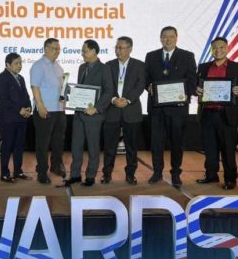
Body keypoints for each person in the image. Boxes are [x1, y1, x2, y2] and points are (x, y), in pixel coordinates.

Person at [195, 36, 238, 189]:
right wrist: (197, 89)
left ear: (227, 48)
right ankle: (211, 175)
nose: (218, 50)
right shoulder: (203, 67)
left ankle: (230, 179)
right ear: (211, 50)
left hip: (227, 115)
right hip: (207, 113)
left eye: (221, 47)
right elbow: (196, 85)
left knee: (228, 149)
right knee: (209, 148)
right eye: (215, 48)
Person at [144, 26, 197, 187]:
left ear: (176, 38)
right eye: (164, 37)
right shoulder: (151, 56)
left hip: (178, 109)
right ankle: (157, 172)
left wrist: (186, 94)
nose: (168, 39)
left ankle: (175, 173)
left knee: (177, 142)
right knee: (156, 143)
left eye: (171, 37)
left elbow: (192, 80)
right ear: (160, 38)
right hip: (157, 108)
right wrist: (148, 86)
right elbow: (145, 77)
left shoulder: (187, 56)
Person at [64, 39, 114, 186]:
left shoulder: (104, 68)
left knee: (93, 147)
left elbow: (109, 91)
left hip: (94, 115)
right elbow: (81, 90)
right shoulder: (81, 67)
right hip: (79, 114)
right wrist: (70, 94)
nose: (82, 54)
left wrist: (96, 108)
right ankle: (75, 175)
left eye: (84, 51)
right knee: (76, 146)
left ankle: (90, 176)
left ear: (93, 51)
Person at [102, 36, 146, 185]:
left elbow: (140, 86)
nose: (118, 50)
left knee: (131, 147)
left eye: (121, 48)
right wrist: (114, 99)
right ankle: (107, 174)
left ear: (130, 49)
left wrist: (127, 100)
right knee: (109, 146)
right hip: (112, 111)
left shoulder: (139, 65)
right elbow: (105, 86)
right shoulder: (108, 65)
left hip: (131, 111)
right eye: (116, 47)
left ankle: (130, 174)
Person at [30, 38, 67, 184]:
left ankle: (56, 166)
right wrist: (39, 105)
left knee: (58, 141)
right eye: (53, 48)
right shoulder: (38, 66)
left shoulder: (58, 67)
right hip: (45, 109)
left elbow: (61, 88)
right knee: (43, 143)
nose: (56, 51)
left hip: (59, 110)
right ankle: (42, 172)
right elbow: (35, 87)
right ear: (45, 48)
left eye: (58, 49)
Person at [0, 53, 32, 183]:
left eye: (20, 63)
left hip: (22, 119)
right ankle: (4, 173)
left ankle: (18, 171)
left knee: (19, 146)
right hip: (8, 119)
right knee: (7, 146)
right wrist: (19, 110)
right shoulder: (1, 78)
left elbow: (26, 96)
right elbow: (3, 100)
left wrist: (29, 108)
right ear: (7, 65)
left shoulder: (21, 78)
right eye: (16, 63)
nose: (19, 66)